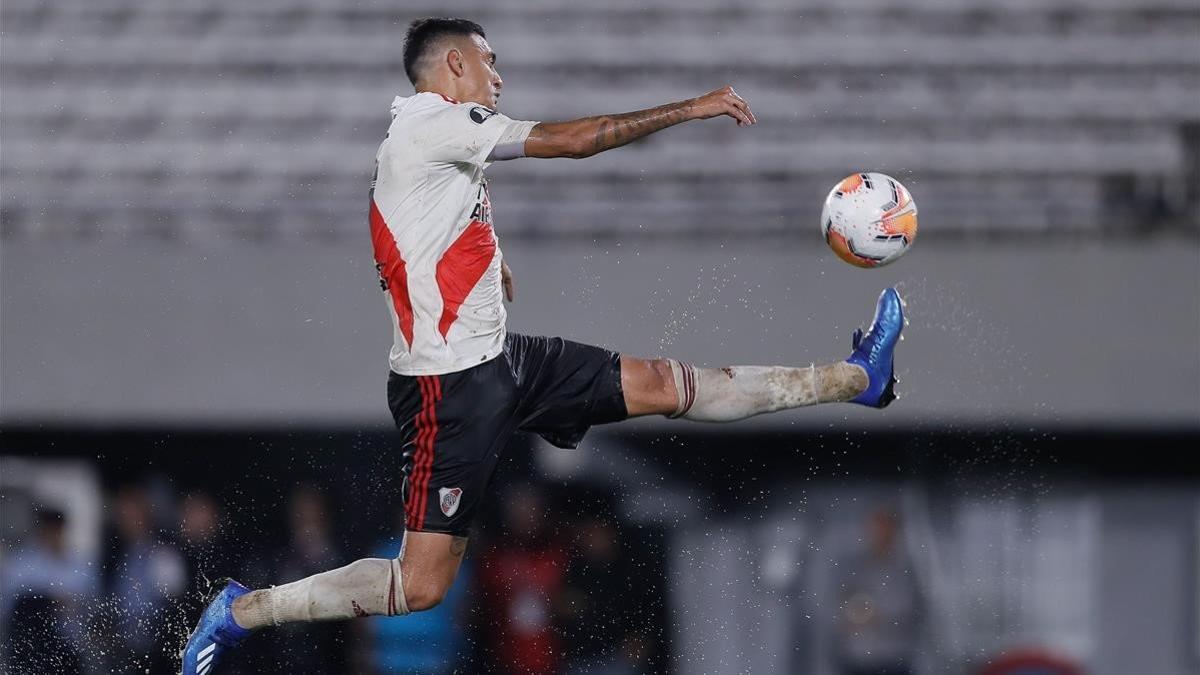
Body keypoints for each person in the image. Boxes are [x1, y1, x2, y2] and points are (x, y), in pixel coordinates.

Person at [181, 16, 904, 674]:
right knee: (422, 583)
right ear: (455, 64)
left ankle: (853, 379)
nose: (499, 77)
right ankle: (246, 610)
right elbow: (572, 140)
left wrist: (490, 262)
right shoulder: (434, 125)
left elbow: (418, 230)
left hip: (502, 360)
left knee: (661, 381)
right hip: (450, 390)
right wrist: (690, 108)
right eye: (491, 63)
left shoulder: (426, 143)